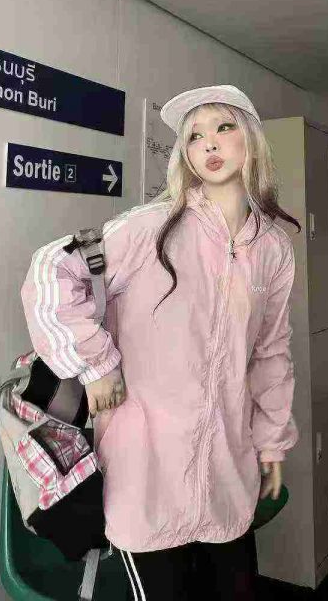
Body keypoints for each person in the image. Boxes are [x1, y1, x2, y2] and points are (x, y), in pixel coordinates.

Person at [20, 84, 302, 600]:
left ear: (252, 140)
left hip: (226, 465)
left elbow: (271, 353)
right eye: (194, 136)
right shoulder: (152, 228)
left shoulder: (273, 249)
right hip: (143, 467)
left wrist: (271, 441)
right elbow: (50, 270)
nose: (209, 143)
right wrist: (98, 365)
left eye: (224, 127)